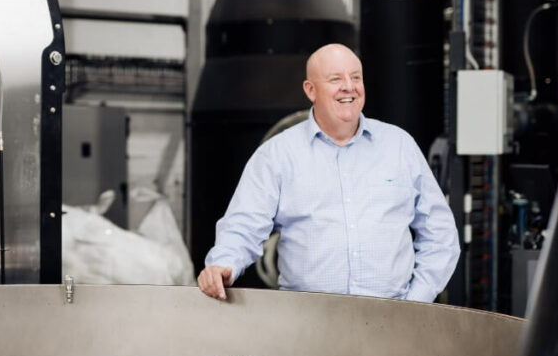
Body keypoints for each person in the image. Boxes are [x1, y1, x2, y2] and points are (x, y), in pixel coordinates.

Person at [197, 43, 460, 302]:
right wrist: (223, 263)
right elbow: (244, 225)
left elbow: (440, 234)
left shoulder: (399, 146)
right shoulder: (277, 155)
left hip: (391, 322)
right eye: (336, 79)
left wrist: (416, 301)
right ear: (310, 90)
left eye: (355, 77)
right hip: (307, 325)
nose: (349, 86)